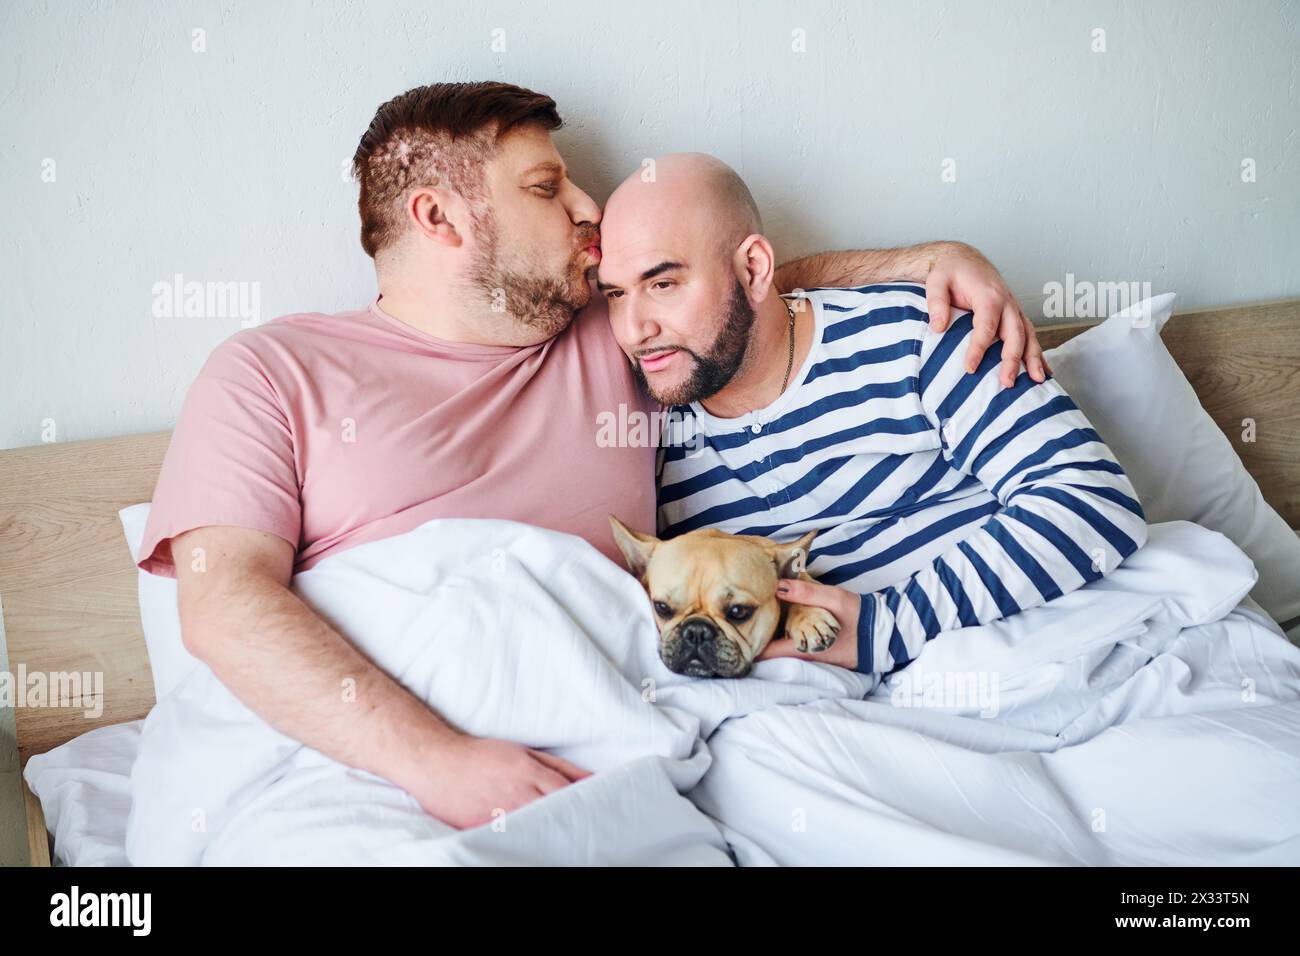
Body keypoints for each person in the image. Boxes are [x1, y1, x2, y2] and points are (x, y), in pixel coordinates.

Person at [138, 81, 1044, 829]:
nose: (588, 210)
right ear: (437, 216)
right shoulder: (270, 372)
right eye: (547, 188)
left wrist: (930, 258)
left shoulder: (605, 339)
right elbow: (224, 607)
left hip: (605, 723)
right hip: (365, 754)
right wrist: (438, 764)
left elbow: (730, 289)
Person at [596, 153, 1147, 677]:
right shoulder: (650, 435)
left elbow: (1093, 503)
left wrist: (887, 628)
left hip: (1060, 651)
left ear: (754, 269)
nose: (634, 329)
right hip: (852, 721)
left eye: (663, 284)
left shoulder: (916, 335)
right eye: (616, 295)